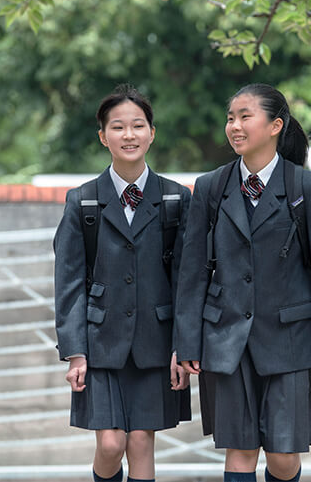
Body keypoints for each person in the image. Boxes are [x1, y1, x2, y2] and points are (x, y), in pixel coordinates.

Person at [174, 84, 311, 482]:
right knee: (240, 450)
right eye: (230, 118)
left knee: (284, 457)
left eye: (244, 116)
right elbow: (193, 271)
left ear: (275, 125)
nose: (234, 126)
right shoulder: (210, 188)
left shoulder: (307, 188)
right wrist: (188, 342)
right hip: (226, 340)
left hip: (291, 341)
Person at [53, 84, 192, 482]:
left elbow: (186, 280)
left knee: (141, 443)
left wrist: (182, 347)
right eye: (118, 127)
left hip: (156, 344)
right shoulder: (82, 201)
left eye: (137, 125)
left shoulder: (175, 199)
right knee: (111, 445)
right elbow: (68, 283)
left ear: (152, 132)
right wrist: (75, 352)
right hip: (100, 345)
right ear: (103, 136)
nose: (128, 135)